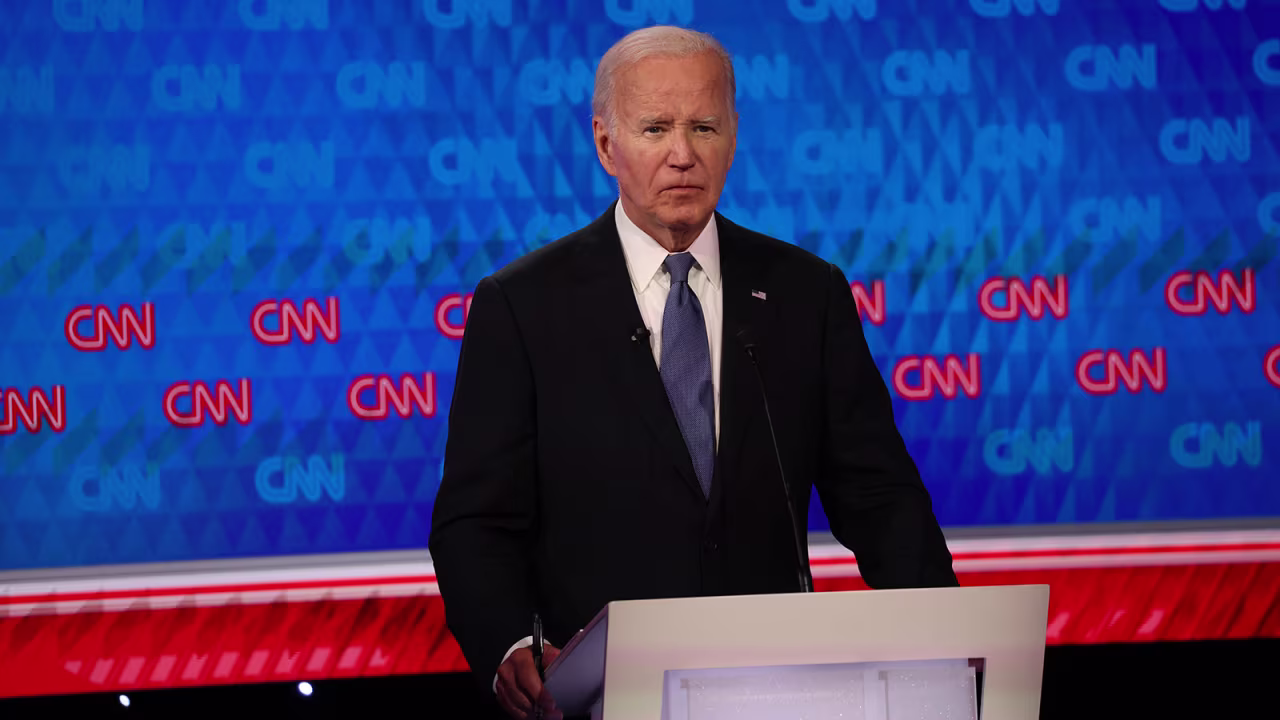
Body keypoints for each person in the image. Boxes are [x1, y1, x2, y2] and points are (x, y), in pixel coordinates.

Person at [428, 25, 958, 719]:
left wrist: (948, 647)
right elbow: (475, 522)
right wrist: (507, 645)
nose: (682, 155)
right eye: (655, 128)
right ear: (605, 144)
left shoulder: (805, 293)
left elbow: (880, 497)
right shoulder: (522, 306)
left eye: (704, 126)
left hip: (777, 689)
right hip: (602, 698)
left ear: (734, 135)